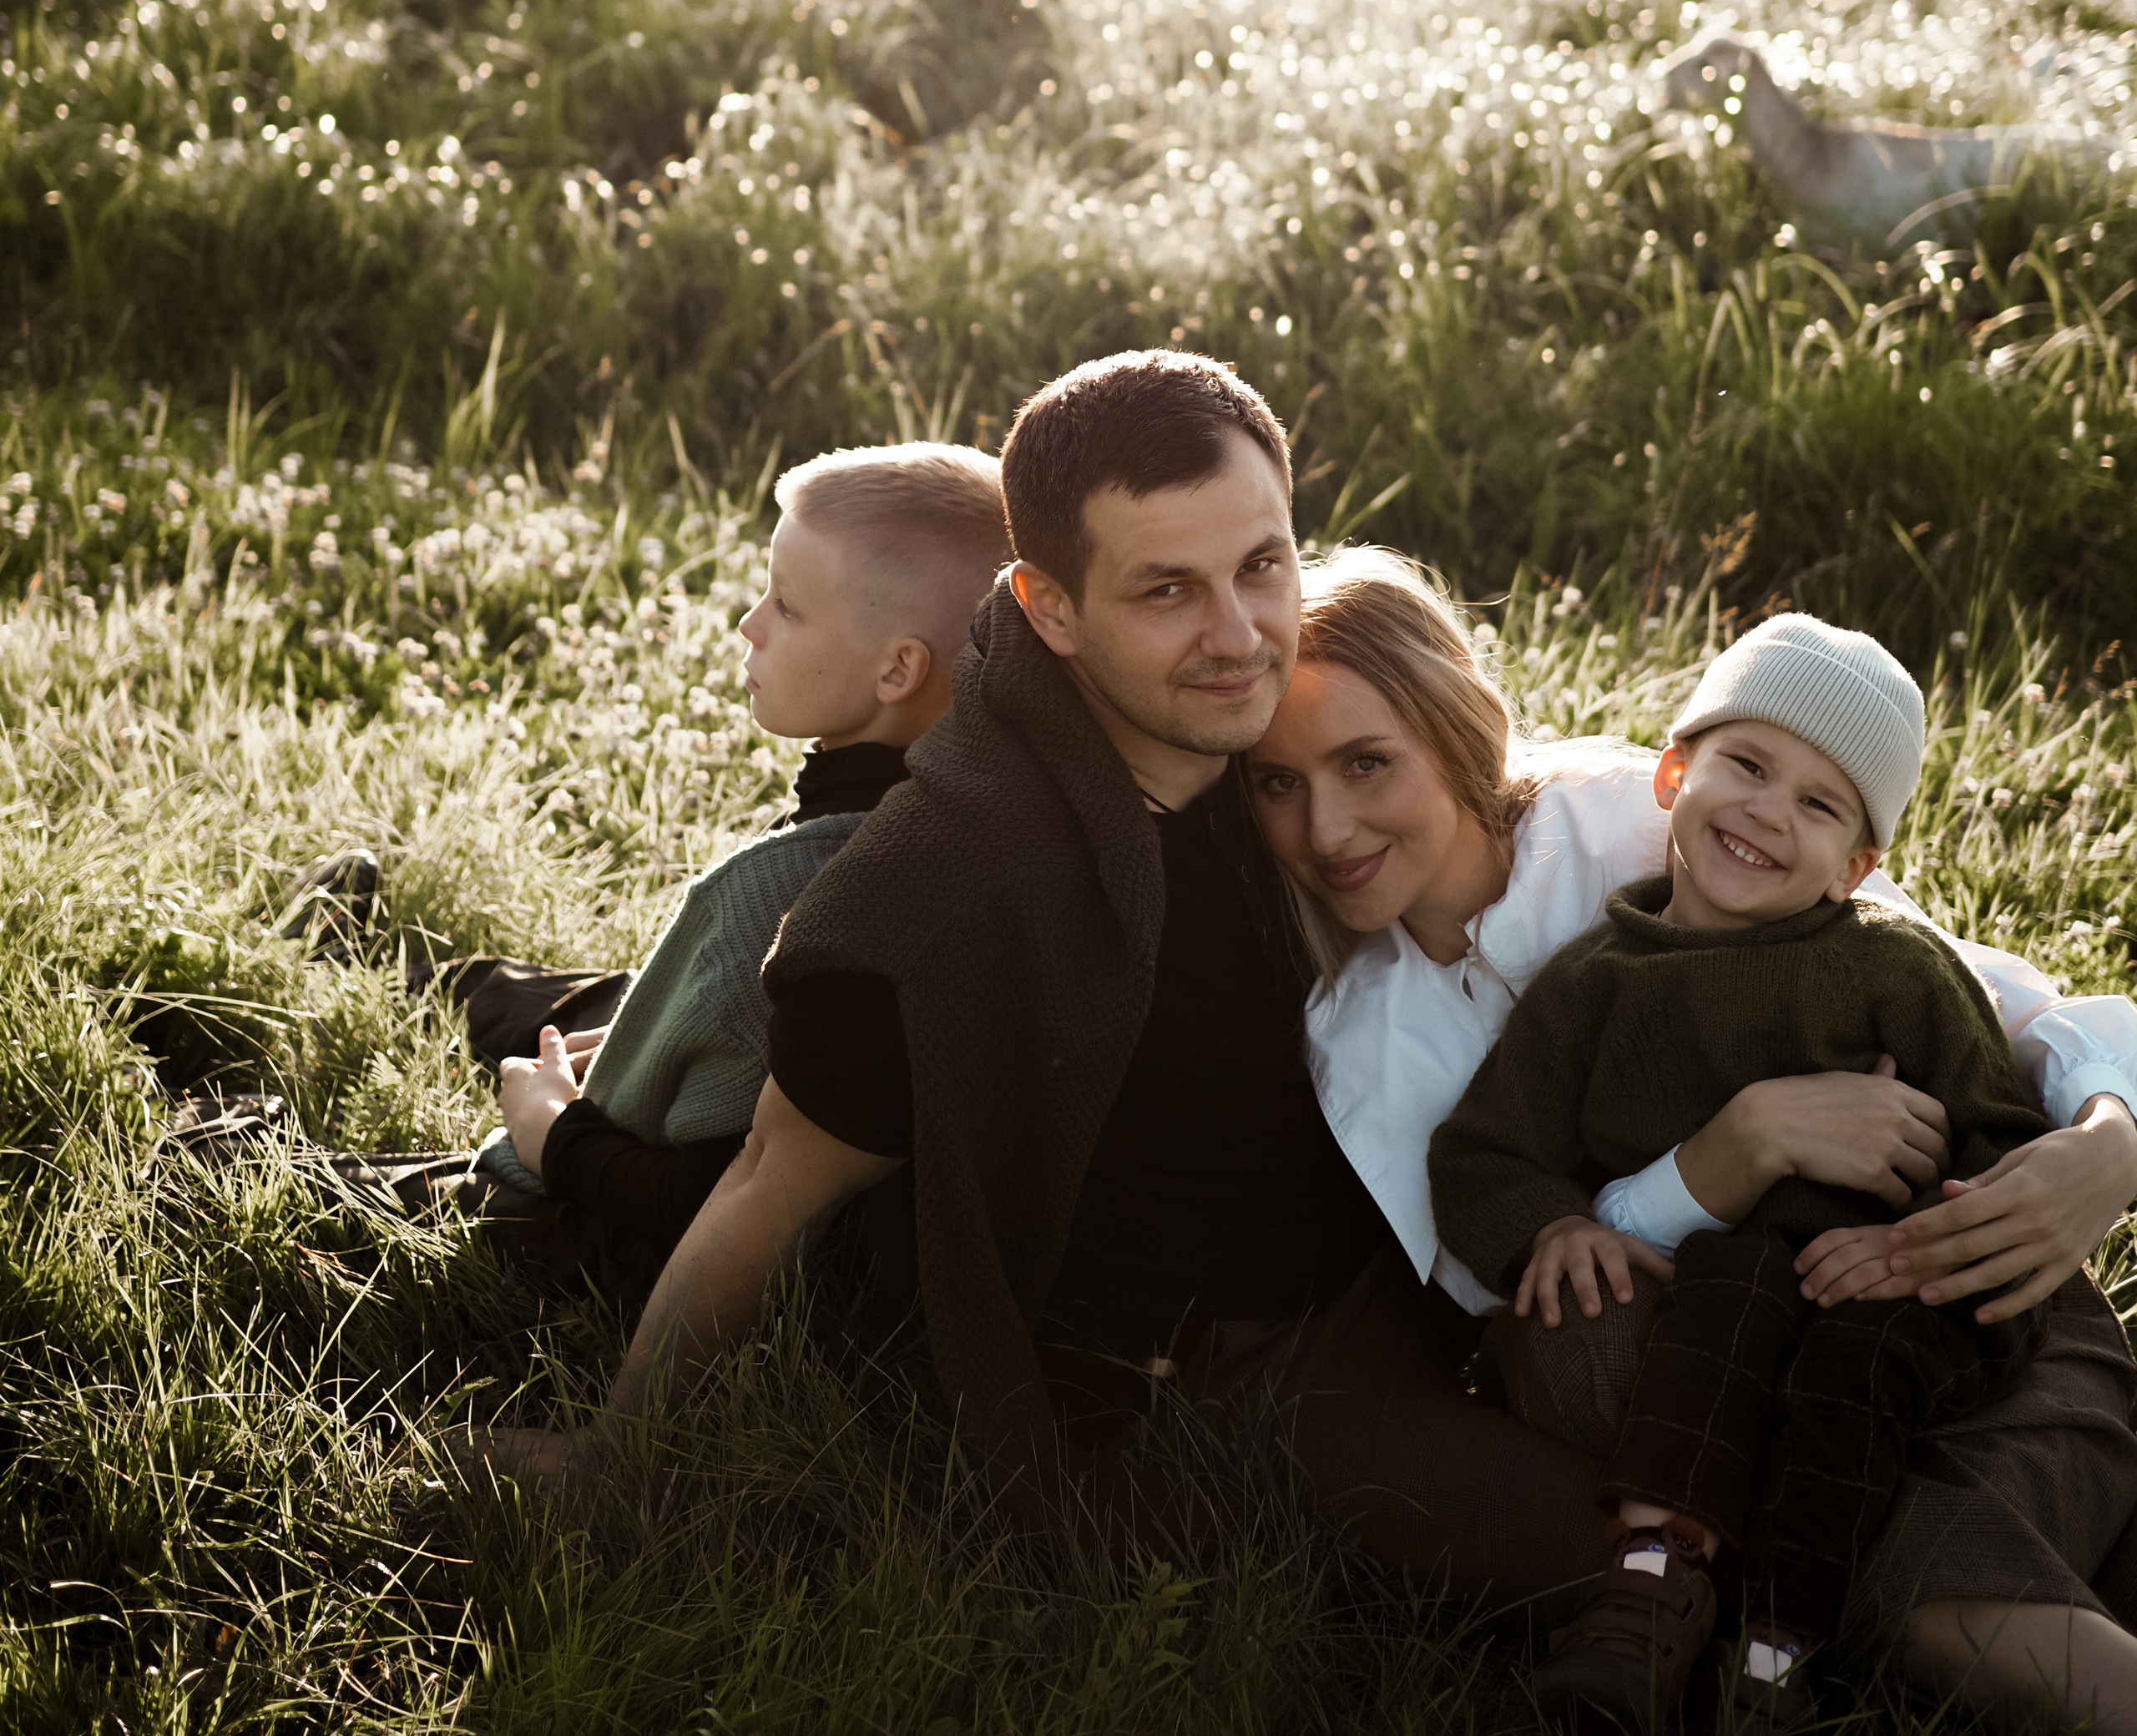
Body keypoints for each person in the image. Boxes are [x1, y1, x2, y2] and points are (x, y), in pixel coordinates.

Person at [467, 351, 1633, 1594]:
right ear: (1052, 608)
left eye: (1262, 565)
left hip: (1432, 1206)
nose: (1241, 637)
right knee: (1616, 1561)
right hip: (1253, 1353)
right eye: (1167, 590)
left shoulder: (1257, 728)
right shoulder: (950, 894)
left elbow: (1475, 785)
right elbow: (770, 1183)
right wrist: (614, 1452)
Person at [1250, 550, 2137, 1731]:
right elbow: (1512, 1271)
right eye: (1273, 783)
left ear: (1454, 730)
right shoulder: (1361, 1037)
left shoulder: (1653, 817)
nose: (1326, 825)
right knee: (1792, 1468)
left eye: (1368, 763)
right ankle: (1810, 1602)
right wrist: (1728, 1153)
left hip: (1924, 1295)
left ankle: (1796, 1587)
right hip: (1699, 1360)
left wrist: (2109, 1140)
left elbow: (1996, 1017)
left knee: (1920, 1475)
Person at [1428, 615, 2054, 1725]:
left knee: (1850, 1367)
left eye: (1820, 804)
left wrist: (1914, 1248)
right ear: (1675, 774)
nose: (1770, 810)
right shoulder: (1596, 983)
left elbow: (2003, 1126)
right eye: (1748, 765)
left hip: (1900, 1285)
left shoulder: (1892, 966)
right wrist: (1551, 1226)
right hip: (1727, 1276)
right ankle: (1648, 1596)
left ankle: (1777, 1652)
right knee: (1729, 1290)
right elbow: (1487, 1151)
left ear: (1860, 864)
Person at [472, 441, 1008, 1311]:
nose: (748, 623)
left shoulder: (791, 895)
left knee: (320, 1177)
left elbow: (713, 1193)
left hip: (616, 1248)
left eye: (786, 606)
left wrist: (550, 1135)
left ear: (897, 668)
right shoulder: (960, 808)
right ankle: (463, 979)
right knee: (562, 1003)